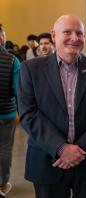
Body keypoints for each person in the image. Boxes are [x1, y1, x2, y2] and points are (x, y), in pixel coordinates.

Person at [18, 15, 86, 198]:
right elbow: (28, 113)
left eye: (79, 33)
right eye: (67, 32)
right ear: (54, 35)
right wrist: (61, 148)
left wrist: (78, 150)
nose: (74, 38)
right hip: (47, 160)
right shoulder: (30, 69)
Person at [0, 24, 21, 198]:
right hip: (6, 114)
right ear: (2, 38)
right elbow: (17, 90)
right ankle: (2, 183)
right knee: (5, 148)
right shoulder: (12, 60)